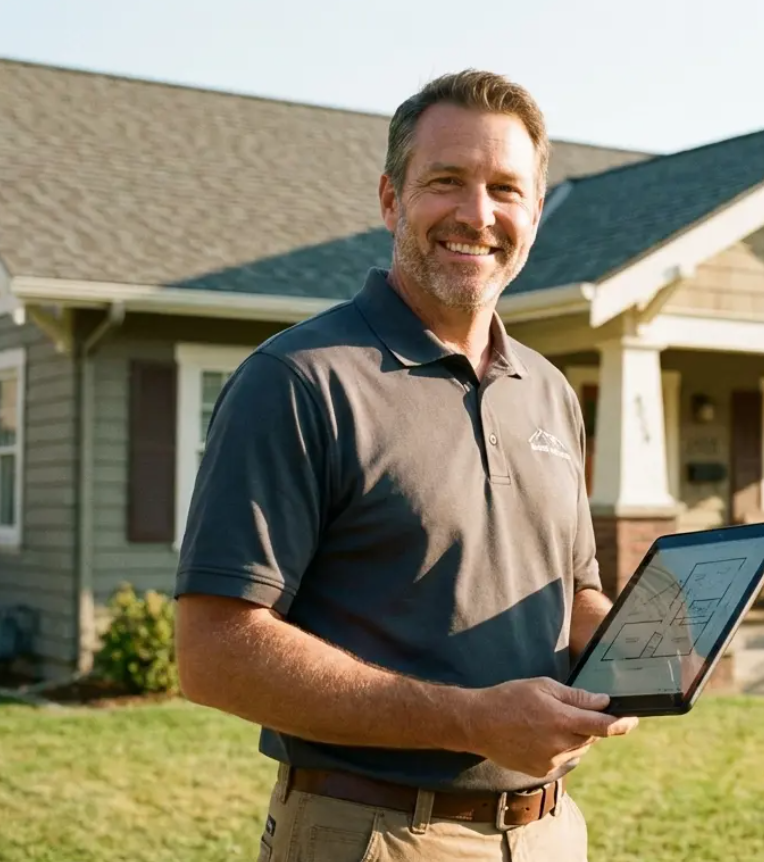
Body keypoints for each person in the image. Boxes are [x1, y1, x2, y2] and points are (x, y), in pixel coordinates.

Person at [172, 69, 638, 861]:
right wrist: (469, 717)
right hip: (374, 835)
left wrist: (639, 652)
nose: (475, 215)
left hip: (550, 833)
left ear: (535, 213)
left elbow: (576, 590)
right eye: (445, 182)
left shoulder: (550, 392)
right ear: (391, 200)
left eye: (505, 189)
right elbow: (213, 653)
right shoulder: (300, 379)